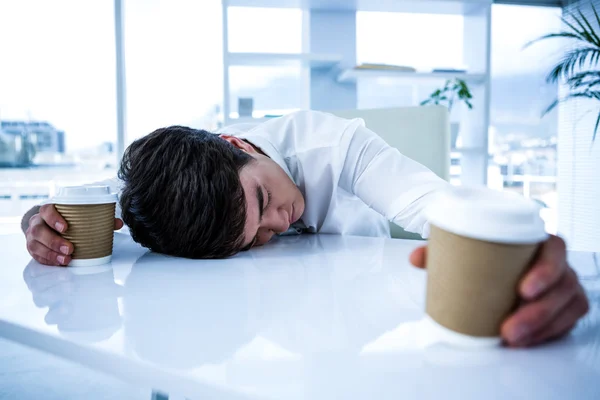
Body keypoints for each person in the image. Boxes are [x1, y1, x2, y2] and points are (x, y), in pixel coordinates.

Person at [21, 110, 588, 347]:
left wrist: (513, 251)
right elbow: (104, 200)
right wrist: (42, 221)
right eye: (258, 237)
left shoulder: (332, 144)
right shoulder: (171, 185)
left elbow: (433, 204)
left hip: (369, 304)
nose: (278, 221)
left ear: (237, 144)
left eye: (263, 199)